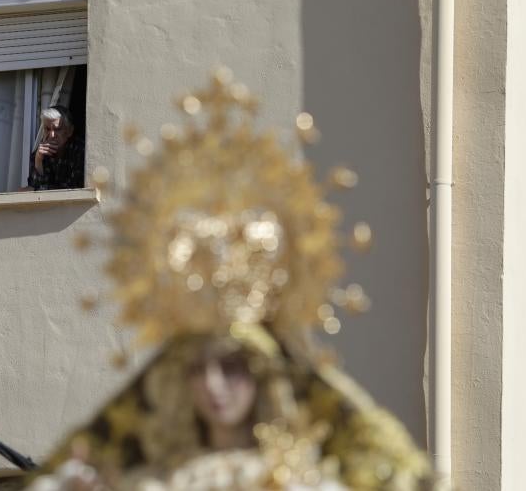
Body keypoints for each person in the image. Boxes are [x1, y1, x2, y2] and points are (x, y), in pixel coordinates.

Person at [21, 70, 433, 490]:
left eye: (233, 367)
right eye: (199, 368)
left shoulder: (305, 479)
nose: (214, 386)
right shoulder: (151, 481)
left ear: (263, 373)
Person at [27, 105, 84, 190]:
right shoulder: (39, 153)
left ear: (69, 131)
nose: (52, 135)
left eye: (57, 129)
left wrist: (40, 189)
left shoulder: (80, 151)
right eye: (47, 129)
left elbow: (73, 190)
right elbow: (34, 191)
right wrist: (38, 160)